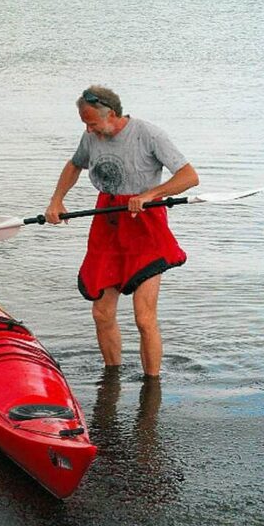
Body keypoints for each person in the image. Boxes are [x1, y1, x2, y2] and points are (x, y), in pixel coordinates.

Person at [45, 86, 199, 377]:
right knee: (101, 314)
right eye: (85, 124)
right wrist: (56, 200)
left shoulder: (148, 134)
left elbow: (189, 177)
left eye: (91, 123)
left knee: (144, 318)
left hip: (145, 225)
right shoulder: (90, 136)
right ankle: (112, 378)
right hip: (107, 221)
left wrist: (152, 194)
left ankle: (152, 388)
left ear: (111, 114)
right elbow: (74, 165)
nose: (88, 130)